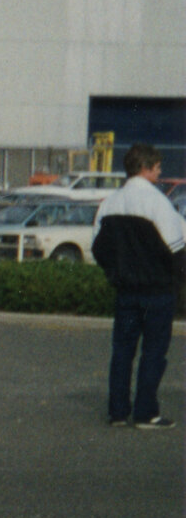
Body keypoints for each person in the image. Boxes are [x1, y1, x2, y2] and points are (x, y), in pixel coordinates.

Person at [92, 143, 185, 429]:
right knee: (154, 353)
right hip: (157, 290)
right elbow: (177, 248)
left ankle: (117, 411)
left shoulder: (109, 203)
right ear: (146, 168)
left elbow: (97, 247)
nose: (159, 172)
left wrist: (116, 272)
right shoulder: (157, 203)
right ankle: (146, 413)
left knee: (122, 351)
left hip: (126, 291)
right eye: (157, 167)